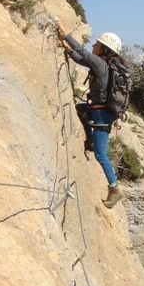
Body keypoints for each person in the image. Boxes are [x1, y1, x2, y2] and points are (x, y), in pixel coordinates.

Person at [55, 20, 124, 209]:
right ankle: (90, 139)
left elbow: (83, 53)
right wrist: (66, 48)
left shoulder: (101, 64)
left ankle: (114, 188)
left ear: (104, 48)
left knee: (101, 154)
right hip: (100, 111)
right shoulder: (105, 65)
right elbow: (80, 59)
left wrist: (65, 34)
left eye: (97, 44)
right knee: (79, 109)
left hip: (101, 115)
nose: (94, 45)